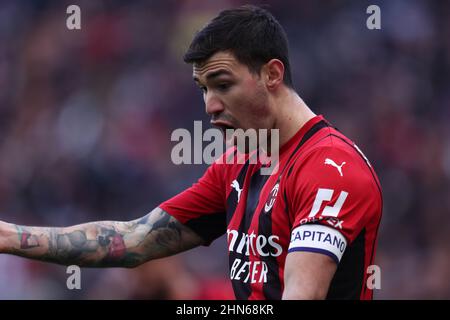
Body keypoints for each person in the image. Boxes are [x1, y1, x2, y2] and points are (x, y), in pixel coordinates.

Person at [0, 5, 382, 300]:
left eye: (222, 84)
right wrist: (7, 237)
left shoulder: (331, 170)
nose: (210, 106)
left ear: (272, 74)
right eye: (203, 89)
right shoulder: (238, 164)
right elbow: (135, 240)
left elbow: (303, 294)